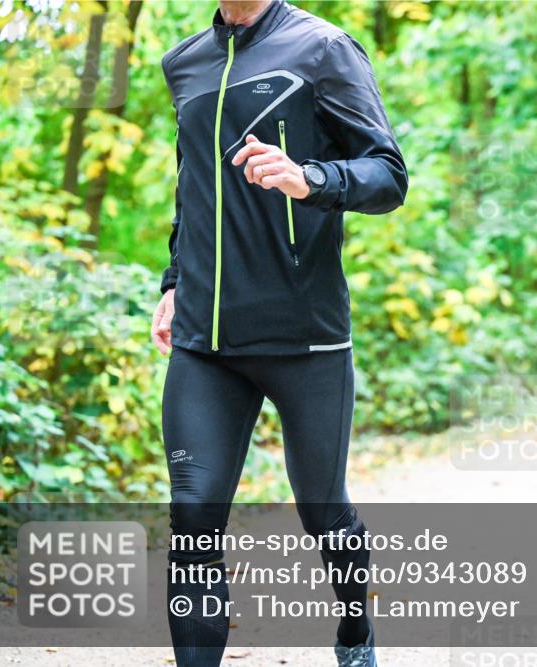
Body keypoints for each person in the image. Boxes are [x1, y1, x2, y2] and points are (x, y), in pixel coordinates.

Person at [149, 1, 407, 665]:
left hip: (305, 338)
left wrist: (309, 177)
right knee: (193, 516)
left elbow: (388, 174)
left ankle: (355, 631)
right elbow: (193, 189)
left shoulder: (322, 48)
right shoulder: (184, 63)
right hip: (207, 344)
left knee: (324, 514)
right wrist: (174, 283)